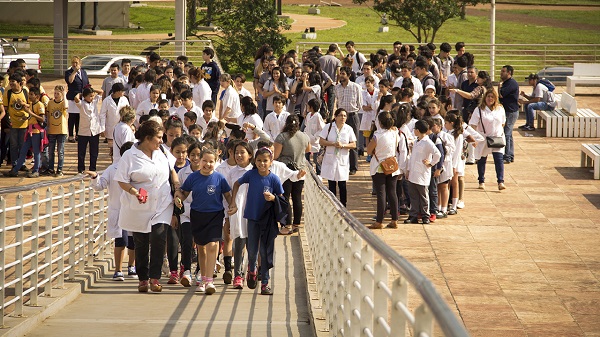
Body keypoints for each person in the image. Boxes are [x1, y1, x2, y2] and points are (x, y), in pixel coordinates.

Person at [115, 120, 177, 293]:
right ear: (147, 138)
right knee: (141, 242)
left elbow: (172, 170)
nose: (161, 141)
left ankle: (154, 278)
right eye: (158, 137)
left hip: (163, 202)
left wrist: (177, 188)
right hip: (139, 205)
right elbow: (121, 180)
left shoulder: (162, 151)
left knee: (158, 238)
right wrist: (134, 191)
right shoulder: (130, 155)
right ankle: (143, 278)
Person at [228, 147, 285, 295]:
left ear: (271, 162)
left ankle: (265, 283)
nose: (262, 164)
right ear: (255, 161)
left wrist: (273, 198)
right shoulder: (251, 175)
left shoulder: (274, 179)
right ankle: (252, 270)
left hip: (267, 220)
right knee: (252, 251)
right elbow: (236, 184)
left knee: (265, 252)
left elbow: (282, 199)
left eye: (265, 161)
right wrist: (233, 203)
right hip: (252, 218)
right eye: (259, 160)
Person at [175, 147, 232, 294]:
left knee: (213, 245)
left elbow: (227, 194)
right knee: (201, 248)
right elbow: (184, 193)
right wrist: (178, 198)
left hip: (215, 215)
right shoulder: (193, 177)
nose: (207, 164)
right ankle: (202, 279)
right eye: (204, 161)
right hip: (197, 215)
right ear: (199, 161)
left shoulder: (219, 178)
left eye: (211, 161)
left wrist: (232, 205)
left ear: (216, 162)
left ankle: (209, 281)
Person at [87, 141, 137, 282]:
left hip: (134, 210)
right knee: (121, 240)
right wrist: (95, 177)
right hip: (119, 209)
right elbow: (100, 185)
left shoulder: (138, 169)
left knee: (134, 240)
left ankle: (131, 266)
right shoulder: (113, 169)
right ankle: (118, 270)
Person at [274, 115, 310, 234]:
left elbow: (275, 155)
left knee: (285, 198)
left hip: (286, 170)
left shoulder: (282, 137)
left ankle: (287, 225)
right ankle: (296, 224)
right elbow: (308, 150)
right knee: (297, 197)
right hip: (301, 169)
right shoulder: (304, 136)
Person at [366, 111, 401, 229]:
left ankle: (379, 221)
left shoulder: (377, 135)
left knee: (381, 194)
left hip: (379, 166)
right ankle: (394, 219)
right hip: (392, 165)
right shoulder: (395, 133)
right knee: (392, 192)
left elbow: (369, 150)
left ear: (379, 122)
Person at [404, 120, 441, 224]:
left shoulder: (427, 142)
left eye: (415, 129)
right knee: (413, 196)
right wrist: (408, 170)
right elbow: (412, 158)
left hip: (422, 173)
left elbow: (437, 154)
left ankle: (425, 215)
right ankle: (413, 215)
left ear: (418, 130)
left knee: (423, 196)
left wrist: (431, 163)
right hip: (413, 173)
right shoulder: (416, 141)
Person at [319, 108, 357, 207]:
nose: (343, 118)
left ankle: (343, 205)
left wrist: (343, 146)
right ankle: (333, 205)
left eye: (344, 116)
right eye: (340, 115)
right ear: (335, 117)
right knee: (331, 183)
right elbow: (321, 141)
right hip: (331, 158)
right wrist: (332, 144)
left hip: (342, 159)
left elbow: (353, 144)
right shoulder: (329, 127)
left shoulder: (348, 129)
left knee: (342, 184)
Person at [469, 89, 507, 191]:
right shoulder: (479, 109)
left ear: (495, 98)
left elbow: (503, 123)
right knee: (482, 160)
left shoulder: (500, 109)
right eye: (488, 96)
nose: (490, 99)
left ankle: (500, 181)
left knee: (499, 159)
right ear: (485, 98)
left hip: (497, 137)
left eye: (492, 97)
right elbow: (473, 124)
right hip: (483, 138)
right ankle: (481, 180)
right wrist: (474, 138)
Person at [6, 87, 45, 178]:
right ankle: (15, 170)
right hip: (30, 131)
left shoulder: (40, 105)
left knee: (36, 151)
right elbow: (30, 115)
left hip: (37, 131)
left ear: (37, 96)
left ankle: (36, 170)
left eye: (32, 94)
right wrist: (26, 117)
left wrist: (30, 113)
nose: (30, 96)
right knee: (23, 150)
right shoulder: (31, 104)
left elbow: (42, 119)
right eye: (29, 94)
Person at [334, 67, 362, 174]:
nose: (341, 75)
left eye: (343, 73)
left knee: (353, 140)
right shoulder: (337, 88)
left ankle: (353, 167)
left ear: (348, 75)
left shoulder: (356, 87)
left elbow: (359, 104)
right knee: (340, 139)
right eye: (340, 73)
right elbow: (337, 102)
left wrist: (351, 112)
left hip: (352, 115)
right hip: (340, 116)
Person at [74, 86, 104, 173]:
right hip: (83, 131)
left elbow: (101, 92)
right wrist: (81, 93)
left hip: (94, 131)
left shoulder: (95, 102)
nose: (92, 97)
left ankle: (92, 168)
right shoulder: (81, 104)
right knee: (81, 152)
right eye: (90, 96)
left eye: (93, 96)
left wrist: (92, 90)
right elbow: (76, 98)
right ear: (85, 96)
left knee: (94, 152)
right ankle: (81, 169)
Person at [3, 73, 29, 171]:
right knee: (13, 145)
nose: (11, 84)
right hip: (13, 124)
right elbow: (5, 109)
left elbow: (30, 105)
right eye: (10, 82)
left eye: (13, 82)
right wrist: (7, 122)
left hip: (24, 123)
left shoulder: (25, 91)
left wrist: (23, 104)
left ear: (19, 83)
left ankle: (22, 163)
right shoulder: (8, 93)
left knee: (22, 144)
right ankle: (14, 164)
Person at [100, 83, 129, 159]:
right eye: (122, 91)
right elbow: (102, 115)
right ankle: (114, 164)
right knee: (112, 149)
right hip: (111, 128)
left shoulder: (125, 100)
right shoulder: (106, 100)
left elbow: (128, 112)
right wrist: (102, 128)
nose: (124, 93)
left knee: (122, 147)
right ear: (117, 92)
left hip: (123, 126)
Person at [65, 56, 89, 143]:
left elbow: (87, 83)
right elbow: (70, 81)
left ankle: (78, 134)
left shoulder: (84, 72)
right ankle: (71, 135)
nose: (75, 65)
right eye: (73, 63)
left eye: (76, 63)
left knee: (80, 117)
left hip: (82, 98)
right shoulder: (68, 72)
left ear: (80, 64)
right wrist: (74, 72)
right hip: (72, 98)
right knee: (72, 117)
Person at [498, 65, 520, 164]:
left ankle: (507, 156)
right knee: (509, 134)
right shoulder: (507, 83)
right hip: (507, 111)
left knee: (506, 133)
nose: (501, 73)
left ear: (509, 73)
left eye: (503, 71)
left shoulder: (511, 83)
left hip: (510, 112)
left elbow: (502, 94)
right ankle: (510, 155)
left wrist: (499, 88)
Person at [46, 85, 69, 177]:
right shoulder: (50, 103)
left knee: (60, 151)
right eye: (55, 93)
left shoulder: (64, 102)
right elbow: (48, 116)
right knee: (51, 151)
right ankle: (51, 168)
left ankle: (59, 169)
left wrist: (65, 95)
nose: (56, 95)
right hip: (52, 130)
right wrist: (47, 128)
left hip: (61, 130)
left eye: (58, 93)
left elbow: (66, 106)